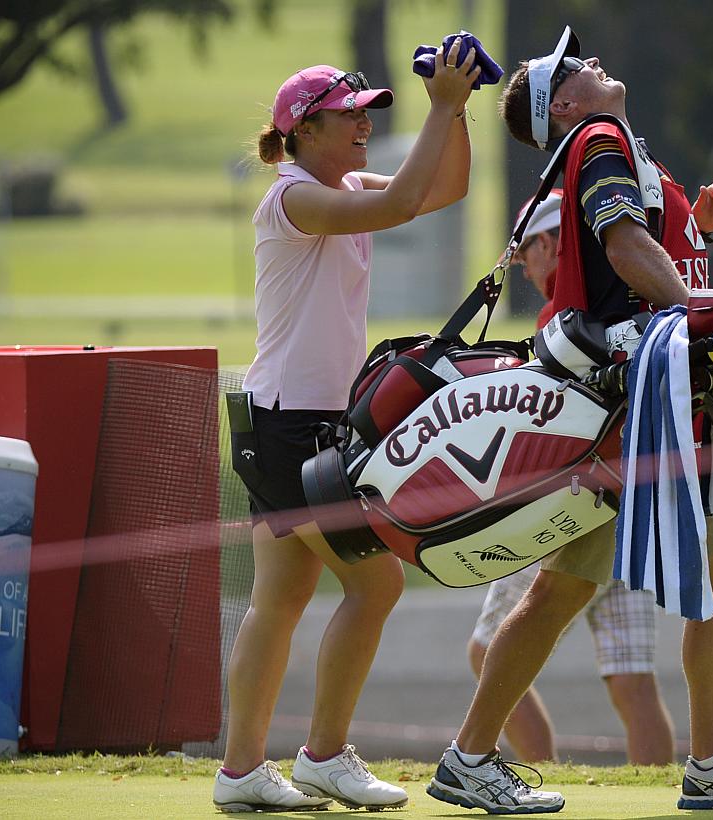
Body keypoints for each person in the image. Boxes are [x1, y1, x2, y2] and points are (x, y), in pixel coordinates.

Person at [426, 27, 713, 813]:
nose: (595, 62)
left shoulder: (618, 142)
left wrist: (697, 227)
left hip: (663, 400)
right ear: (563, 103)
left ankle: (707, 764)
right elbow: (625, 246)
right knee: (564, 591)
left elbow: (647, 248)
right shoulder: (599, 135)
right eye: (578, 66)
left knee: (705, 571)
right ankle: (471, 758)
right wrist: (708, 317)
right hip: (637, 410)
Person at [212, 45, 481, 813]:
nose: (365, 127)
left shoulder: (339, 184)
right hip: (290, 425)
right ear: (302, 131)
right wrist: (438, 107)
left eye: (368, 116)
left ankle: (240, 773)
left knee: (283, 598)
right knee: (377, 580)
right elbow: (400, 206)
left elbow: (444, 187)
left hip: (299, 424)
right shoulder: (293, 198)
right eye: (349, 117)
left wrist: (454, 107)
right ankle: (323, 757)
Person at [465, 190, 677, 767]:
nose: (526, 270)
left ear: (551, 243)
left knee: (488, 652)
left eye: (527, 254)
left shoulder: (560, 316)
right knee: (632, 679)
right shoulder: (626, 297)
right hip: (634, 506)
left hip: (567, 513)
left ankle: (534, 774)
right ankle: (654, 788)